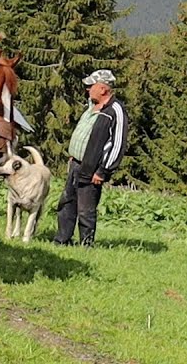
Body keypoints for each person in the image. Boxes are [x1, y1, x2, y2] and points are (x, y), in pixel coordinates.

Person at [52, 69, 129, 247]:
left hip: (93, 169)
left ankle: (86, 245)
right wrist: (73, 156)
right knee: (67, 202)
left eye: (91, 86)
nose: (87, 89)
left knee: (86, 209)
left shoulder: (115, 110)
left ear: (103, 88)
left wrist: (103, 171)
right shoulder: (91, 106)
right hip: (76, 164)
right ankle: (62, 240)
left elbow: (117, 144)